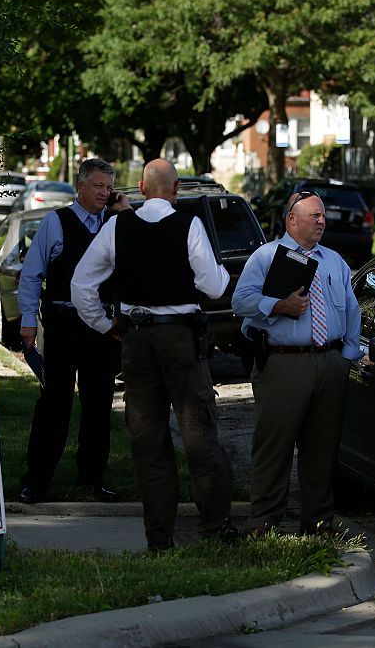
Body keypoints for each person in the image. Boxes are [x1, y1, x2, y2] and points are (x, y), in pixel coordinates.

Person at [71, 158, 237, 550]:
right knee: (198, 432)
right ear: (176, 190)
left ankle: (159, 536)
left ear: (141, 190)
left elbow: (82, 284)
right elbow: (213, 286)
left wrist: (105, 325)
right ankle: (215, 526)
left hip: (137, 339)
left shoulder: (117, 226)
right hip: (181, 339)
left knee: (148, 438)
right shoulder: (189, 225)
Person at [232, 190, 361, 536]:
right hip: (284, 364)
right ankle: (264, 523)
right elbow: (241, 301)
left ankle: (319, 524)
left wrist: (347, 357)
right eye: (314, 215)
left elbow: (351, 311)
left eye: (322, 216)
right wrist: (279, 306)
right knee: (274, 446)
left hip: (329, 362)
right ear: (292, 219)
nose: (321, 221)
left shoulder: (334, 260)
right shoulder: (266, 256)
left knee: (321, 450)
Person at [17, 158, 129, 505]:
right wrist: (27, 319)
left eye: (109, 187)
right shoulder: (56, 222)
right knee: (55, 403)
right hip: (64, 324)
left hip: (103, 329)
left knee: (98, 405)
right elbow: (33, 273)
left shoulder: (115, 223)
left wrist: (122, 212)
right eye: (98, 186)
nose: (104, 193)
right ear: (80, 186)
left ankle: (92, 479)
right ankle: (36, 480)